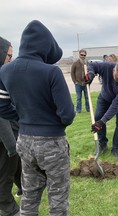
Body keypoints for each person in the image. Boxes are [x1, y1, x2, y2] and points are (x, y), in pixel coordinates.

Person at [0, 20, 75, 215]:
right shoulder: (52, 72)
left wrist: (24, 116)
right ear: (45, 46)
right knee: (58, 199)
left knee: (30, 195)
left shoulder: (5, 70)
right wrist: (50, 123)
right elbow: (67, 115)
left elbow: (1, 106)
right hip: (52, 144)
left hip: (24, 142)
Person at [88, 62, 118, 161]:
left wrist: (103, 121)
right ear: (113, 71)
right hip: (104, 97)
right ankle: (102, 144)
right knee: (98, 117)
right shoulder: (107, 67)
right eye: (116, 78)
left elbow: (116, 105)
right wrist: (91, 73)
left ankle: (115, 149)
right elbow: (92, 65)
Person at [0, 36, 22, 216]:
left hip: (14, 129)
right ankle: (8, 207)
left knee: (18, 164)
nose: (11, 59)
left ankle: (24, 187)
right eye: (8, 56)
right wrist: (10, 145)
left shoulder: (3, 72)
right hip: (4, 136)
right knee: (5, 171)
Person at [71, 49, 90, 113]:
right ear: (79, 55)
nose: (83, 56)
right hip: (78, 83)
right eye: (81, 54)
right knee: (78, 98)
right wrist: (75, 82)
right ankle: (78, 110)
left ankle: (88, 109)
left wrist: (89, 80)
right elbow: (72, 73)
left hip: (86, 83)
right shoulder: (75, 63)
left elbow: (91, 72)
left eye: (84, 55)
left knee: (87, 98)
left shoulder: (87, 63)